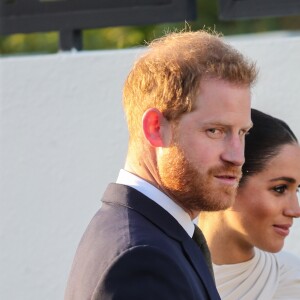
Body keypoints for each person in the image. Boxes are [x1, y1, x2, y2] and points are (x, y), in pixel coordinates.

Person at [64, 30, 257, 300]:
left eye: (242, 133)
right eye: (215, 131)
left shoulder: (150, 235)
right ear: (155, 128)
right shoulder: (141, 258)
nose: (237, 156)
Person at [199, 108, 300, 300]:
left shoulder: (293, 282)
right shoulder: (161, 277)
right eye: (280, 189)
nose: (296, 211)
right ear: (229, 180)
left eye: (297, 190)